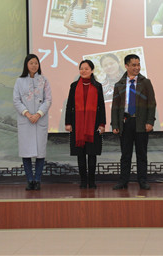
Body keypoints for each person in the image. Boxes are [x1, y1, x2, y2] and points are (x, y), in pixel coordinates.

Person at [111, 54, 157, 190]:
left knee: (141, 154)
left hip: (141, 122)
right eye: (133, 65)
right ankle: (123, 181)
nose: (137, 67)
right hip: (125, 122)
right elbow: (115, 106)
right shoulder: (119, 84)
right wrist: (115, 124)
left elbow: (152, 104)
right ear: (126, 66)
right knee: (125, 154)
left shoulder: (146, 82)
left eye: (138, 65)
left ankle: (142, 181)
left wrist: (150, 122)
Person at [13, 54, 52, 190]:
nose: (34, 65)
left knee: (40, 152)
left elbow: (48, 100)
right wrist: (28, 114)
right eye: (31, 63)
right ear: (26, 65)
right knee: (26, 152)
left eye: (36, 63)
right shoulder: (19, 81)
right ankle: (30, 180)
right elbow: (16, 100)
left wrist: (38, 114)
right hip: (26, 120)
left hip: (40, 119)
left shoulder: (44, 80)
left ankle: (38, 180)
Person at [65, 60, 106, 188]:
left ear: (92, 70)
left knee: (92, 154)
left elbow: (101, 106)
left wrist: (102, 124)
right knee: (80, 155)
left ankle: (92, 181)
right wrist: (68, 123)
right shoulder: (74, 86)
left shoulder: (97, 86)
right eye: (81, 68)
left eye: (86, 68)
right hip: (77, 124)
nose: (83, 71)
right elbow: (69, 105)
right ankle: (83, 181)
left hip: (93, 124)